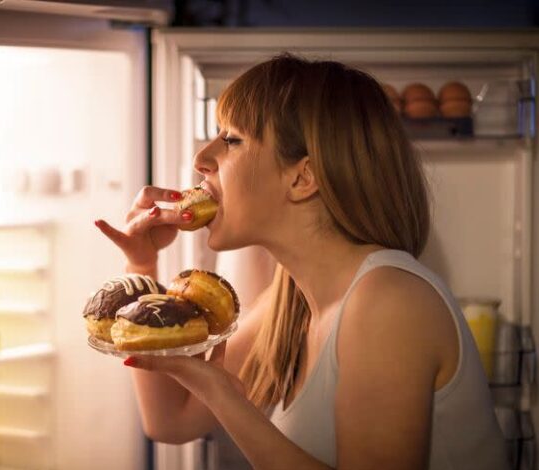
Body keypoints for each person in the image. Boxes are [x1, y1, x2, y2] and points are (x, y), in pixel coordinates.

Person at [94, 53, 508, 470]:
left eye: (232, 139)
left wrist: (224, 396)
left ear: (302, 177)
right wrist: (142, 269)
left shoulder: (388, 302)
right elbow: (171, 421)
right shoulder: (289, 302)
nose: (203, 157)